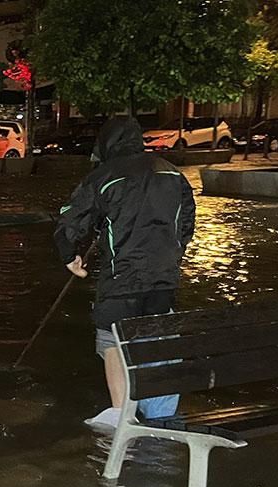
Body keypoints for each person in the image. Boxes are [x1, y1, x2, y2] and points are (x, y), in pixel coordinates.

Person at [53, 116, 195, 430]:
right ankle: (161, 418)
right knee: (155, 338)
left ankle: (121, 413)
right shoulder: (172, 173)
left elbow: (69, 221)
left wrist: (70, 257)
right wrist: (171, 253)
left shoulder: (104, 176)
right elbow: (186, 224)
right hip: (163, 278)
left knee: (112, 338)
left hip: (122, 277)